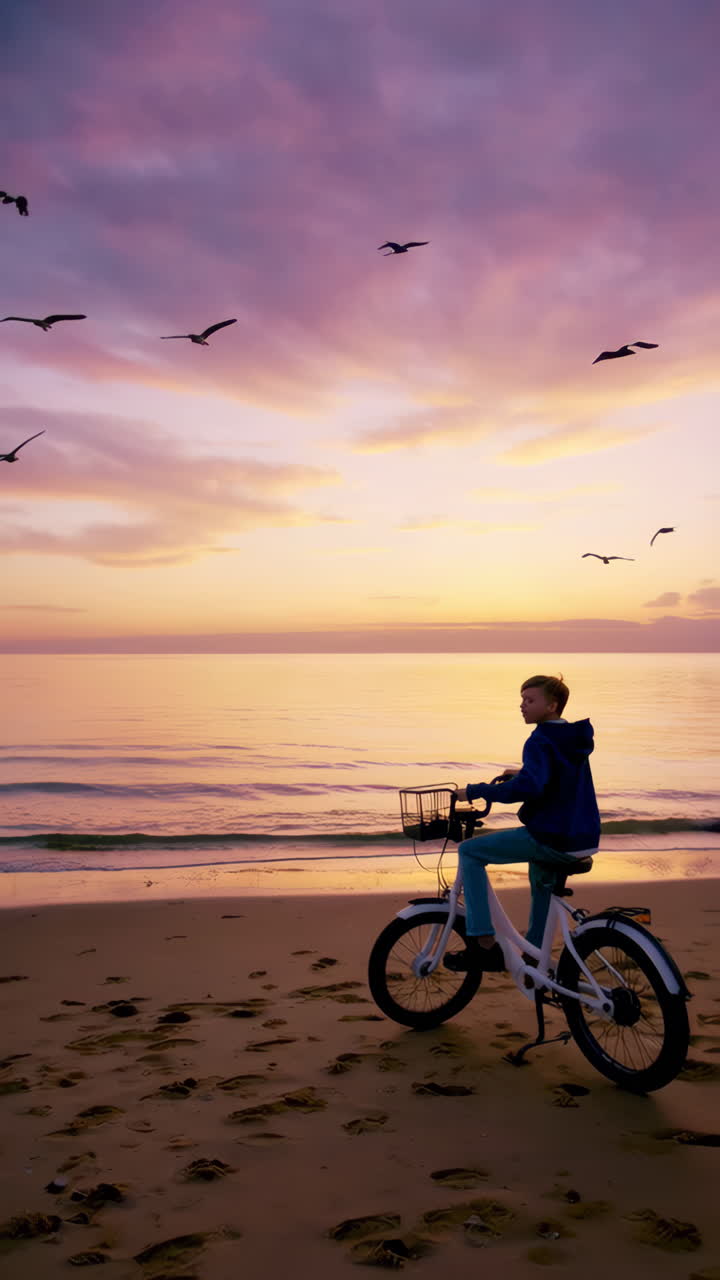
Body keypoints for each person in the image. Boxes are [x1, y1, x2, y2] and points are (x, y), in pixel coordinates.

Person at [444, 674, 600, 974]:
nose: (522, 706)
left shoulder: (540, 739)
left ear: (552, 705)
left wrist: (477, 790)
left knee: (470, 852)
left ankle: (482, 942)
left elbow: (526, 791)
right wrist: (524, 771)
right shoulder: (570, 737)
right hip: (582, 837)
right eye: (521, 700)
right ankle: (534, 957)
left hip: (553, 837)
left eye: (530, 700)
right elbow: (556, 775)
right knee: (541, 884)